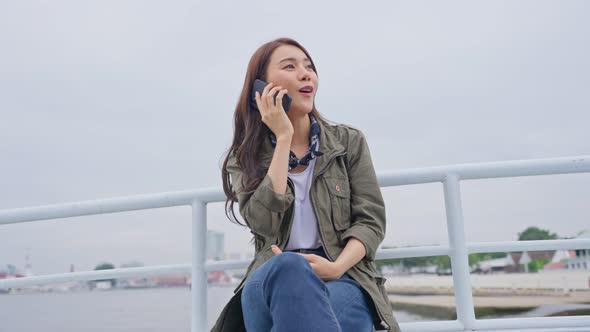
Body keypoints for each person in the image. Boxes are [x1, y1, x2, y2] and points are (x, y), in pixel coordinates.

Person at [213, 37, 400, 332]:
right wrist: (283, 139)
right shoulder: (245, 155)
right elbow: (262, 222)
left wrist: (337, 267)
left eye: (309, 66)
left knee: (333, 315)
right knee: (291, 266)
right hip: (272, 274)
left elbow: (371, 222)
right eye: (290, 66)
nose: (305, 73)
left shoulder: (348, 143)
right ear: (261, 87)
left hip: (341, 274)